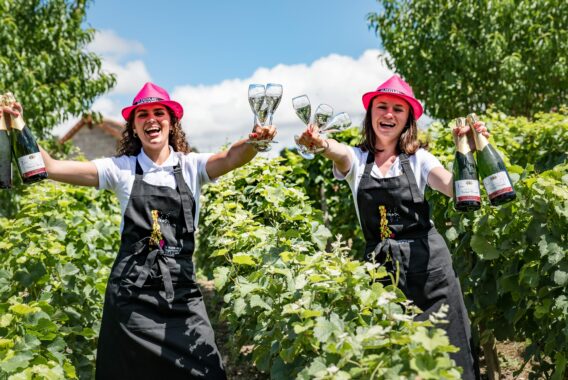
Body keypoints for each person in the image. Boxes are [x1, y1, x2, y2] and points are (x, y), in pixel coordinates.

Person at [2, 82, 276, 379]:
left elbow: (231, 157)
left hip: (181, 296)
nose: (151, 119)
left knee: (207, 372)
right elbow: (51, 167)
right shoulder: (120, 169)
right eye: (142, 114)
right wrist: (17, 123)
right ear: (134, 126)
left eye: (159, 112)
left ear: (171, 123)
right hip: (132, 300)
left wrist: (253, 143)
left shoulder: (191, 166)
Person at [296, 74, 485, 379]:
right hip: (381, 277)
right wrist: (321, 143)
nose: (388, 114)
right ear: (370, 114)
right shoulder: (357, 160)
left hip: (431, 274)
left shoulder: (420, 159)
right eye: (381, 106)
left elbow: (454, 188)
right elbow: (338, 151)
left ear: (408, 118)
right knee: (393, 362)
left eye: (398, 109)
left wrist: (471, 151)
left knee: (452, 360)